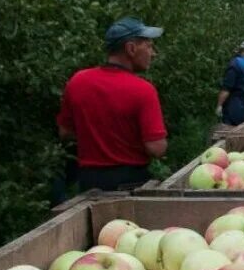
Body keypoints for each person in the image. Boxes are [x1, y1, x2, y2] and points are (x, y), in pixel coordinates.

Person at [57, 17, 168, 192]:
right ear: (131, 48)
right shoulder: (142, 90)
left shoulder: (78, 81)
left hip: (88, 181)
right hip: (130, 182)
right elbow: (156, 148)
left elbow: (65, 132)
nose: (153, 53)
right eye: (148, 46)